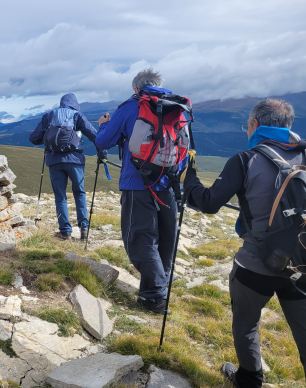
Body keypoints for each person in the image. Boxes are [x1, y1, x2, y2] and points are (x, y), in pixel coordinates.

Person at [183, 98, 306, 388]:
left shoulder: (245, 159)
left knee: (246, 323)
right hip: (301, 263)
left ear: (254, 125)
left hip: (256, 264)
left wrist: (189, 180)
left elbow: (209, 203)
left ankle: (250, 378)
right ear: (289, 126)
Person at [95, 68, 187, 314]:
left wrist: (103, 125)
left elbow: (103, 142)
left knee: (139, 239)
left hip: (137, 182)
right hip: (168, 182)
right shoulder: (175, 108)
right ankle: (152, 293)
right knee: (166, 238)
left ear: (136, 88)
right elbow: (183, 148)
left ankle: (157, 295)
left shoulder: (131, 106)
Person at [29, 93, 106, 241]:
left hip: (54, 161)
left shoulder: (49, 115)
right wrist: (103, 154)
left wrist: (49, 139)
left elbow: (34, 138)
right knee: (79, 193)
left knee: (60, 196)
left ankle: (65, 232)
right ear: (75, 104)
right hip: (75, 160)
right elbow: (95, 136)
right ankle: (84, 229)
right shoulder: (77, 115)